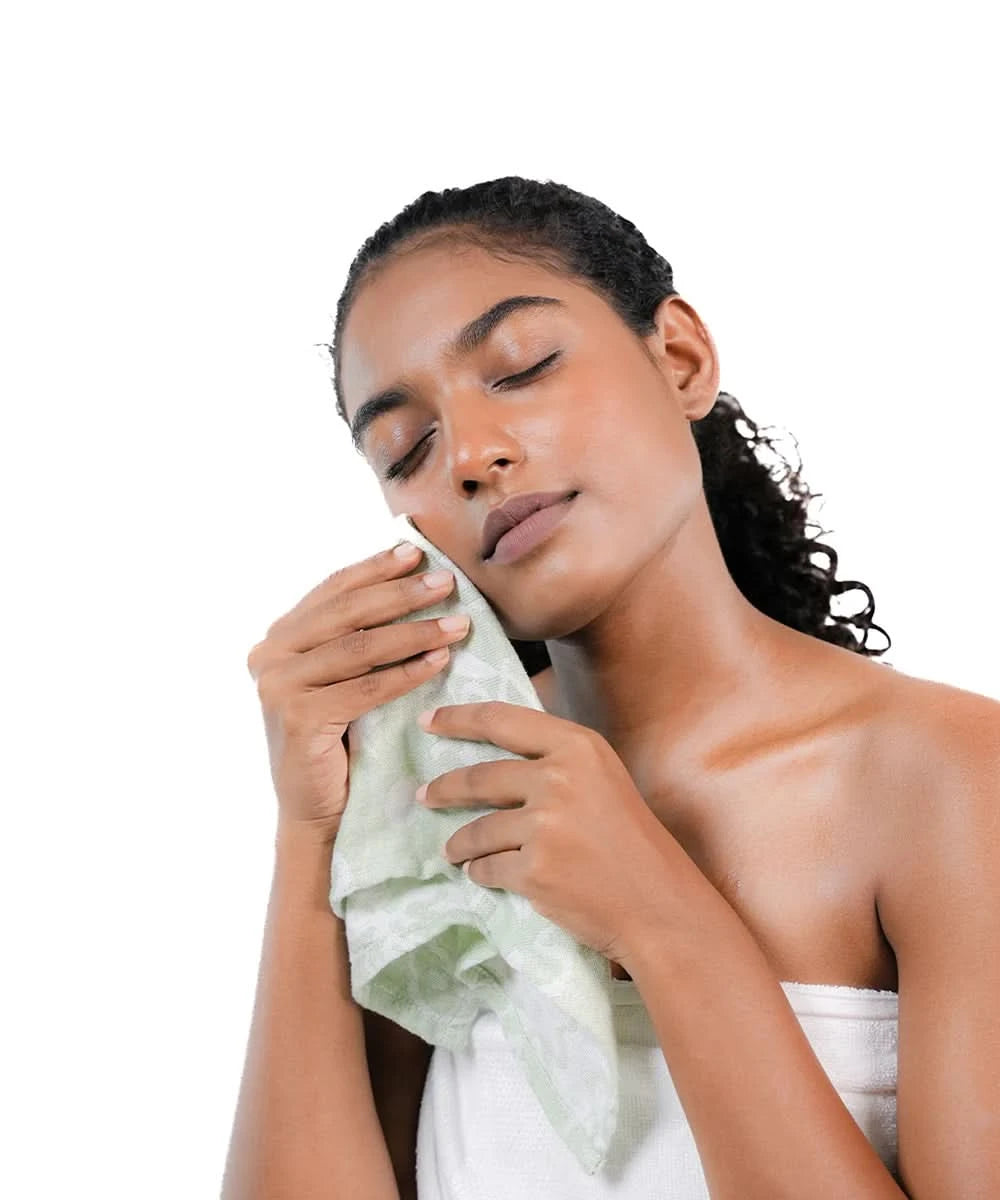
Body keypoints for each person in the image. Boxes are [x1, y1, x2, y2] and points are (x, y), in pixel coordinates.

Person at [222, 177, 1000, 1199]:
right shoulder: (441, 793)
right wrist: (309, 841)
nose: (468, 455)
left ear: (677, 357)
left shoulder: (948, 778)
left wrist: (664, 921)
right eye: (404, 448)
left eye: (520, 368)